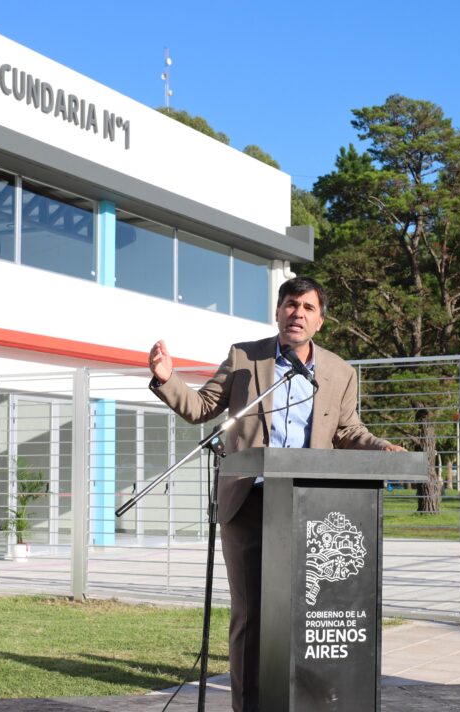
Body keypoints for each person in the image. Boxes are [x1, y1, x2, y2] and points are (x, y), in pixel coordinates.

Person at [147, 275, 406, 712]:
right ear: (278, 311)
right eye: (290, 304)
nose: (297, 314)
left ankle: (303, 701)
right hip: (248, 502)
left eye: (307, 307)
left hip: (312, 510)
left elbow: (347, 430)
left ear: (320, 320)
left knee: (305, 615)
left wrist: (383, 447)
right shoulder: (245, 358)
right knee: (251, 616)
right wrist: (167, 379)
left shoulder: (340, 372)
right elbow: (202, 408)